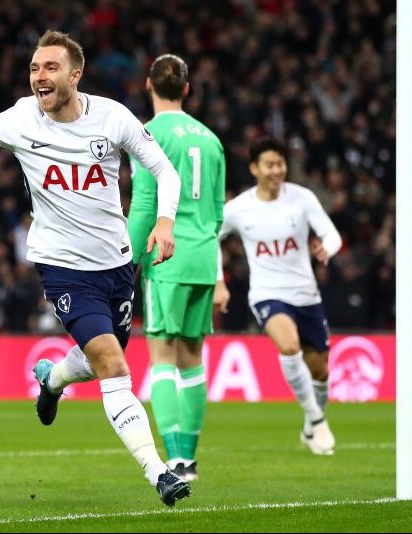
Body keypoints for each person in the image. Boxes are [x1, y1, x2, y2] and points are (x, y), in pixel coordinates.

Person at [0, 30, 190, 505]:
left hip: (116, 265)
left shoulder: (112, 117)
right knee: (113, 363)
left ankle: (51, 380)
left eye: (50, 67)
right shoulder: (20, 119)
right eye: (34, 68)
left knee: (96, 360)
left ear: (75, 75)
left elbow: (165, 171)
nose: (39, 76)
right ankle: (159, 473)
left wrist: (166, 221)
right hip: (63, 267)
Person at [126, 54, 228, 481]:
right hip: (203, 258)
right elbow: (218, 214)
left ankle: (174, 458)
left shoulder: (149, 134)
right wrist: (218, 272)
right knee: (192, 359)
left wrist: (126, 261)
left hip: (166, 257)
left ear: (148, 85)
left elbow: (145, 205)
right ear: (186, 89)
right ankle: (189, 457)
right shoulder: (211, 139)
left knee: (163, 356)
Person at [219, 137, 341, 455]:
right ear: (254, 168)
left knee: (320, 371)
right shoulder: (237, 208)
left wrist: (327, 248)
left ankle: (310, 426)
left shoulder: (302, 198)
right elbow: (209, 239)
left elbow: (331, 234)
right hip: (267, 293)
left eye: (280, 164)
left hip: (306, 294)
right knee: (289, 347)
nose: (277, 170)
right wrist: (219, 281)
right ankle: (317, 419)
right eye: (270, 164)